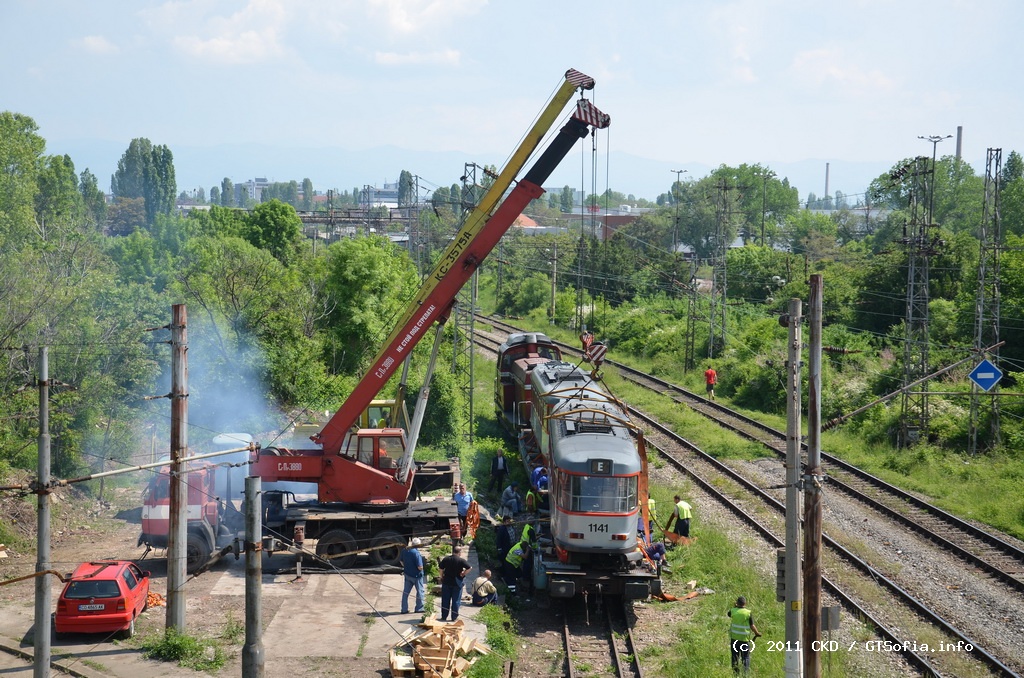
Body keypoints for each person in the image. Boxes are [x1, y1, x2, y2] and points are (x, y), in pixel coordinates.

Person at [438, 545, 472, 622]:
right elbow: (470, 568)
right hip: (457, 583)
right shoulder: (461, 560)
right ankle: (454, 617)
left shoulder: (446, 559)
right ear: (459, 552)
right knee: (456, 601)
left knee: (445, 600)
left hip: (447, 582)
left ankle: (444, 616)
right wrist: (463, 573)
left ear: (453, 551)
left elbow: (440, 569)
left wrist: (441, 576)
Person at [728, 596, 761, 675]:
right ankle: (745, 674)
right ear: (745, 604)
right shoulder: (748, 613)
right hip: (744, 640)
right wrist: (757, 633)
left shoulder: (733, 611)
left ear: (737, 603)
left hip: (734, 639)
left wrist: (735, 606)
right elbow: (752, 626)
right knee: (745, 657)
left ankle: (735, 674)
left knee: (735, 657)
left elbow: (729, 614)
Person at [400, 538, 425, 615]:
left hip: (407, 574)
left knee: (405, 593)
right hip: (417, 576)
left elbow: (401, 561)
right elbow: (420, 567)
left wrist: (407, 567)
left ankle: (404, 609)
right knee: (420, 592)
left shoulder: (404, 550)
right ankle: (419, 608)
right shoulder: (416, 553)